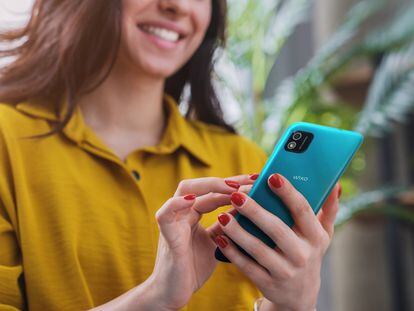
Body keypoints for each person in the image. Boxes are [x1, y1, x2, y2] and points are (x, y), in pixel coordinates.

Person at [0, 0, 341, 310]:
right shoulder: (7, 141)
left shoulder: (244, 161)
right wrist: (155, 297)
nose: (177, 5)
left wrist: (292, 304)